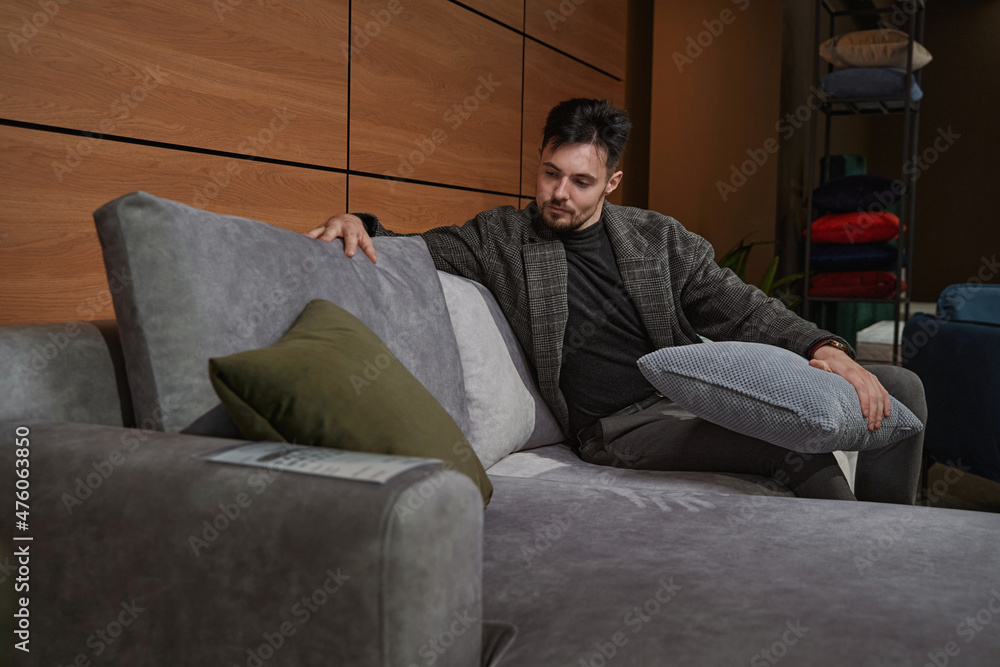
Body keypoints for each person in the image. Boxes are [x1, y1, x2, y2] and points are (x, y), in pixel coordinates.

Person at [306, 98, 925, 504]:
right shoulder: (501, 237)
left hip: (686, 393)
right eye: (550, 172)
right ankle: (843, 579)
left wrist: (832, 352)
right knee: (799, 447)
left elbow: (740, 307)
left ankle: (898, 537)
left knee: (899, 390)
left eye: (580, 181)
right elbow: (413, 249)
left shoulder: (657, 238)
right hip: (615, 429)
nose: (559, 194)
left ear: (612, 182)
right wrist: (357, 218)